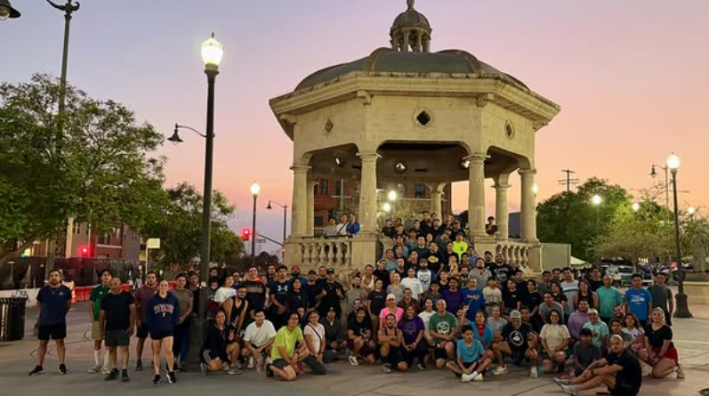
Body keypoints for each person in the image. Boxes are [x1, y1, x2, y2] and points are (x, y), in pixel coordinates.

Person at [555, 335, 642, 396]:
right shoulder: (614, 353)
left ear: (622, 344)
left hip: (630, 389)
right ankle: (570, 382)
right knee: (597, 369)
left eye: (617, 343)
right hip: (620, 382)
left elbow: (610, 370)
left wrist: (592, 372)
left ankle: (574, 389)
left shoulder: (627, 356)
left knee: (602, 376)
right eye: (612, 344)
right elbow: (598, 362)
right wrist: (587, 370)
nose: (614, 346)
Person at [29, 270, 72, 376]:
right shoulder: (43, 291)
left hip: (59, 321)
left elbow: (68, 304)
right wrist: (43, 313)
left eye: (56, 275)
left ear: (60, 277)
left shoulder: (65, 290)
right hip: (45, 322)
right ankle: (39, 365)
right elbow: (39, 303)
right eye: (51, 276)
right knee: (42, 343)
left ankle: (62, 364)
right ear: (49, 278)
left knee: (60, 342)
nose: (54, 277)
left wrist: (62, 313)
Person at [99, 277, 136, 382]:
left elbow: (133, 311)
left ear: (121, 284)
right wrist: (101, 330)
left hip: (123, 327)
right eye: (111, 284)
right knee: (111, 349)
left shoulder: (127, 296)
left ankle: (124, 370)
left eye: (116, 284)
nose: (113, 286)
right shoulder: (106, 298)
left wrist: (132, 325)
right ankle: (114, 369)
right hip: (110, 328)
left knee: (124, 348)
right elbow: (102, 315)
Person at [268, 312, 323, 380]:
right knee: (291, 376)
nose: (294, 321)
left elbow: (303, 343)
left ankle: (289, 367)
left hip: (291, 355)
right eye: (292, 319)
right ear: (288, 320)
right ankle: (271, 367)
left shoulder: (297, 329)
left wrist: (297, 353)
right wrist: (291, 363)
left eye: (296, 319)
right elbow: (281, 350)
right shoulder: (281, 331)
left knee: (306, 352)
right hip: (280, 357)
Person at [147, 280, 179, 384]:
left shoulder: (173, 299)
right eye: (162, 285)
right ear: (158, 287)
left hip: (168, 328)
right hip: (156, 329)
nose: (164, 287)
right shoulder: (153, 300)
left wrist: (173, 323)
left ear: (168, 287)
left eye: (165, 285)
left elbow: (176, 312)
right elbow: (149, 314)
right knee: (156, 352)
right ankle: (157, 374)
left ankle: (170, 371)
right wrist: (151, 326)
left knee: (169, 350)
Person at [492, 310, 538, 378]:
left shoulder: (527, 327)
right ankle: (502, 366)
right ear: (510, 319)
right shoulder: (508, 326)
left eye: (517, 319)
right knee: (495, 346)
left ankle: (533, 368)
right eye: (513, 319)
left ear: (520, 319)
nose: (515, 321)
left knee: (533, 352)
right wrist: (496, 336)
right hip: (512, 348)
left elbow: (531, 345)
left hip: (524, 349)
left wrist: (534, 340)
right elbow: (501, 338)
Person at [638, 308, 681, 378]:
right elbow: (647, 342)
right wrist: (650, 353)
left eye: (658, 315)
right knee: (640, 353)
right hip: (654, 350)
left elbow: (665, 346)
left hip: (667, 353)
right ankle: (658, 366)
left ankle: (676, 368)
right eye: (654, 314)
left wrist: (658, 357)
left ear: (662, 316)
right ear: (651, 316)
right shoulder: (648, 327)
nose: (656, 316)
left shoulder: (667, 329)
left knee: (657, 374)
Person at [200, 308, 241, 374]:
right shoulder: (212, 329)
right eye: (218, 317)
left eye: (222, 316)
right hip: (209, 351)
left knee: (236, 345)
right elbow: (212, 345)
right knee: (215, 368)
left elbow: (226, 341)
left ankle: (233, 367)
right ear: (215, 318)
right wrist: (216, 358)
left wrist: (231, 339)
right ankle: (205, 366)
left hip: (220, 350)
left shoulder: (227, 328)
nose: (221, 318)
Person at [88, 269, 113, 374]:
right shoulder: (96, 290)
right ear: (101, 277)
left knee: (108, 342)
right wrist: (93, 319)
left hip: (110, 320)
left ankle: (106, 366)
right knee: (97, 341)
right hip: (98, 319)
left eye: (108, 275)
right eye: (104, 275)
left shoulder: (113, 289)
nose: (106, 277)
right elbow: (91, 305)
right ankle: (97, 364)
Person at [134, 270, 157, 371]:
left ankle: (155, 359)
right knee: (141, 340)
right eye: (149, 277)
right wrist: (137, 319)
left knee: (155, 341)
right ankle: (138, 360)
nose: (151, 279)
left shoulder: (159, 289)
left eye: (153, 277)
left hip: (156, 321)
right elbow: (136, 307)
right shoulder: (140, 291)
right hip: (143, 319)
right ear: (146, 279)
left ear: (155, 279)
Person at [170, 273, 193, 371]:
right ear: (175, 281)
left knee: (185, 342)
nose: (181, 282)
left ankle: (182, 361)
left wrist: (184, 317)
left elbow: (190, 306)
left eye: (183, 280)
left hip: (186, 319)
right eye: (179, 280)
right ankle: (172, 362)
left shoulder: (189, 292)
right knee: (175, 342)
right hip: (174, 320)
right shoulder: (171, 292)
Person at [540, 309, 570, 374]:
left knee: (560, 356)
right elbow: (543, 340)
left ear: (559, 317)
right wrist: (548, 351)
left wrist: (556, 349)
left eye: (556, 316)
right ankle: (552, 364)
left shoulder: (563, 327)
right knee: (547, 370)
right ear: (550, 317)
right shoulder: (545, 326)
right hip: (548, 351)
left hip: (560, 350)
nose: (554, 317)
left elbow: (566, 341)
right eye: (553, 316)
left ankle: (561, 367)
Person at [430, 299, 458, 368]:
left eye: (443, 304)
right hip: (438, 342)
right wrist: (443, 337)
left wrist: (447, 339)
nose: (441, 306)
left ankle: (452, 360)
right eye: (439, 304)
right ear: (436, 306)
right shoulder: (433, 317)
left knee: (448, 347)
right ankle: (446, 359)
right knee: (439, 365)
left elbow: (454, 330)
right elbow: (432, 332)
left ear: (446, 305)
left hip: (450, 340)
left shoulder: (451, 316)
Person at [398, 305, 427, 370]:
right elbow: (400, 334)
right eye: (408, 310)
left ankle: (421, 361)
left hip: (417, 340)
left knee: (422, 347)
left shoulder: (418, 319)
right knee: (408, 364)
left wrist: (415, 343)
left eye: (411, 310)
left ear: (414, 311)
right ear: (405, 311)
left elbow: (421, 332)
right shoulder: (402, 321)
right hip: (406, 342)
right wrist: (404, 345)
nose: (410, 311)